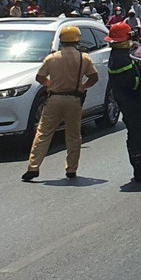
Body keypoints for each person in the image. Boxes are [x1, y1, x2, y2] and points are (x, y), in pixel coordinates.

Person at [23, 26, 99, 182]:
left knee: (43, 133)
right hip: (74, 99)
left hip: (54, 99)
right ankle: (71, 169)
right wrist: (83, 87)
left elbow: (39, 77)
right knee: (73, 135)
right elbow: (94, 77)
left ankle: (33, 166)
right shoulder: (83, 58)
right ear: (77, 40)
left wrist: (50, 85)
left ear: (61, 41)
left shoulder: (52, 58)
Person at [105, 22, 141, 183]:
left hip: (129, 99)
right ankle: (140, 173)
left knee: (139, 132)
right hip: (131, 101)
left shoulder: (120, 55)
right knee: (138, 134)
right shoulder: (120, 58)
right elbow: (132, 82)